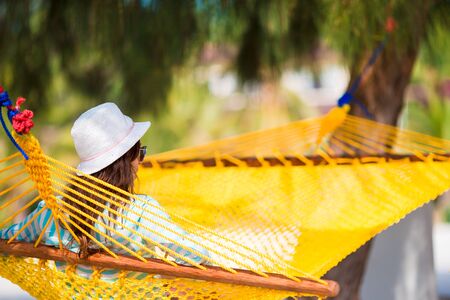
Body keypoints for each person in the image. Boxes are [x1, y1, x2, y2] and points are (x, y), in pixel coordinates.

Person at [0, 102, 209, 281]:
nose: (140, 162)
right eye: (140, 153)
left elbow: (8, 240)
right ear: (127, 162)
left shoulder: (51, 213)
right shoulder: (141, 213)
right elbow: (194, 255)